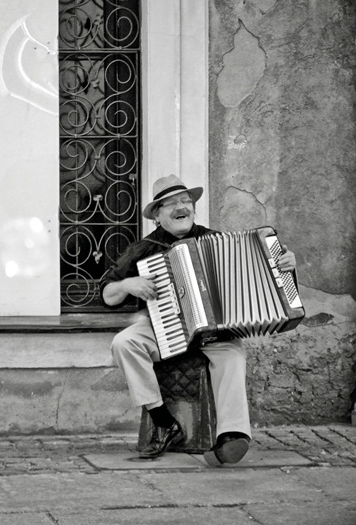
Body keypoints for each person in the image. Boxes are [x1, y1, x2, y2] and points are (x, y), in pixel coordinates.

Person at [101, 174, 297, 465]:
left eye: (186, 201)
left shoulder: (217, 241)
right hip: (162, 328)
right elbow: (107, 293)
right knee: (124, 343)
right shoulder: (143, 249)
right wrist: (128, 285)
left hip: (213, 333)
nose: (181, 207)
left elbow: (261, 276)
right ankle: (163, 421)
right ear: (157, 215)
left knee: (233, 356)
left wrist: (283, 264)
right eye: (170, 204)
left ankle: (231, 435)